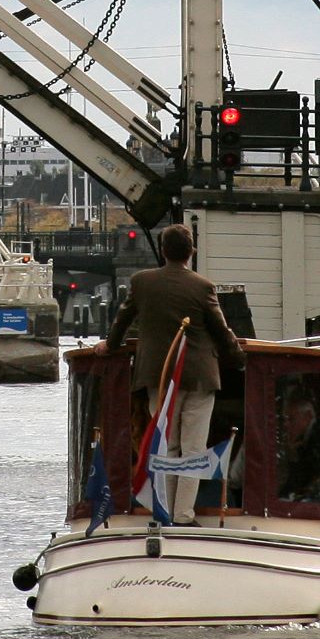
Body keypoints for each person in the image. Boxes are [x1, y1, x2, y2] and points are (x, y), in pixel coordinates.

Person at [102, 223, 247, 525]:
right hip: (199, 377)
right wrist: (238, 357)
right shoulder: (202, 286)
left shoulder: (141, 282)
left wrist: (110, 346)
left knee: (165, 444)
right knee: (193, 446)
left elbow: (122, 320)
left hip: (159, 375)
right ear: (191, 252)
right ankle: (183, 514)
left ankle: (162, 510)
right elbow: (221, 331)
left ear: (163, 251)